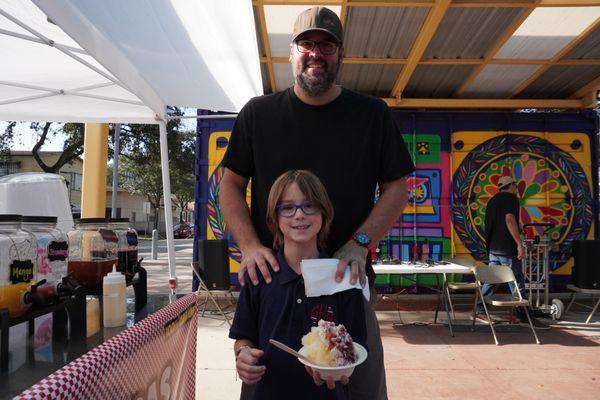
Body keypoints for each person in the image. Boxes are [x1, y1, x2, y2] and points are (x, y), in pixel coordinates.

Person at [219, 7, 415, 400]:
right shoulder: (258, 113)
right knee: (266, 379)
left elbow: (397, 188)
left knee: (357, 385)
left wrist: (359, 243)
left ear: (341, 55)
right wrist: (251, 246)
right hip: (273, 281)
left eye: (326, 45)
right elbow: (230, 184)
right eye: (306, 44)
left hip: (347, 280)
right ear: (291, 53)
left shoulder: (372, 114)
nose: (316, 53)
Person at [230, 170, 367, 400]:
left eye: (309, 205)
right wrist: (243, 355)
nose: (299, 215)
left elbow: (358, 347)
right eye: (287, 207)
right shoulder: (260, 275)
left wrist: (342, 367)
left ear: (324, 213)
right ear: (275, 218)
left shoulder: (342, 278)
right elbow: (243, 337)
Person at [478, 175, 549, 329]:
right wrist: (519, 243)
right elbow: (509, 219)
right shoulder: (511, 199)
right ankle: (523, 315)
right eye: (516, 187)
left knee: (492, 280)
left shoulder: (492, 201)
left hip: (493, 248)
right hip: (506, 248)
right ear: (511, 186)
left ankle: (479, 308)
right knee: (516, 281)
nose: (517, 189)